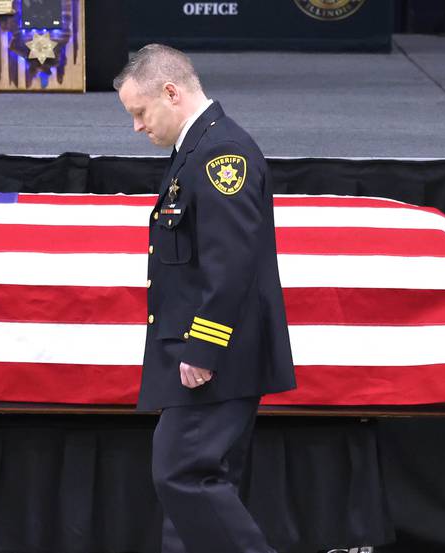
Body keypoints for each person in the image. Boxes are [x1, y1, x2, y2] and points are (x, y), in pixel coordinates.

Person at [114, 44, 296, 553]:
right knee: (195, 494)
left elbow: (230, 262)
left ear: (170, 93)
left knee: (183, 475)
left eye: (140, 112)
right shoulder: (197, 150)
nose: (137, 127)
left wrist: (204, 348)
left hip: (218, 356)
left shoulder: (221, 155)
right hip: (207, 352)